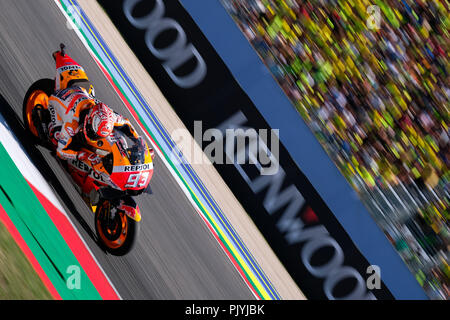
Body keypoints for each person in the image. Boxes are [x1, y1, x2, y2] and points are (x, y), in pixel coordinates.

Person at [47, 48, 140, 170]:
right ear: (88, 121)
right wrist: (80, 155)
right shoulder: (72, 122)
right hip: (58, 102)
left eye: (97, 135)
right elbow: (61, 152)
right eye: (94, 133)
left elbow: (127, 123)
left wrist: (137, 141)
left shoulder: (110, 116)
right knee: (55, 137)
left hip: (83, 96)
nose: (95, 137)